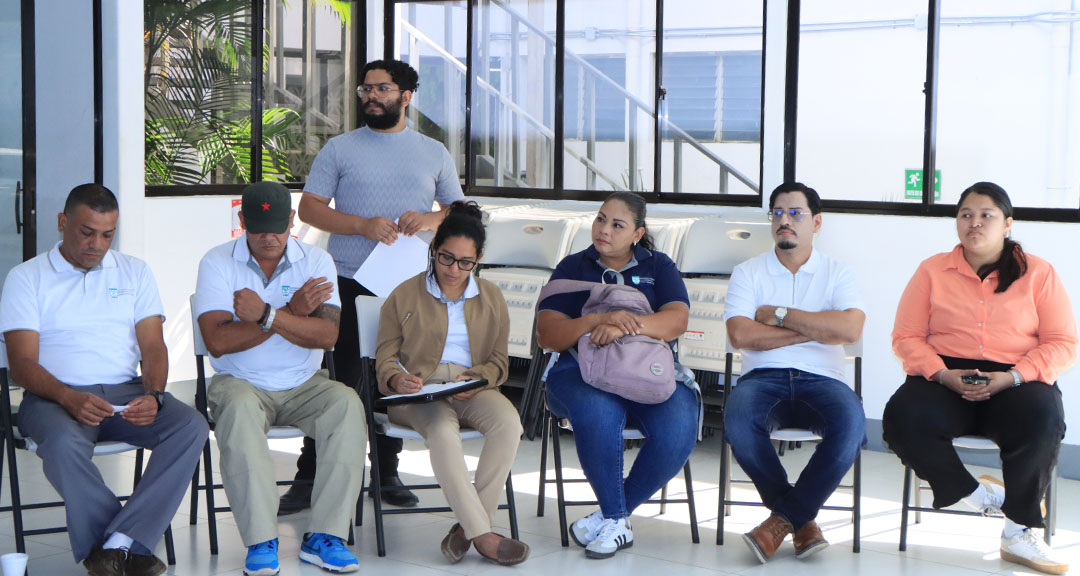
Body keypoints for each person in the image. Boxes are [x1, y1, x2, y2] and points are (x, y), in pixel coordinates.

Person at [284, 57, 465, 512]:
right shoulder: (340, 148)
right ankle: (310, 475)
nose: (371, 96)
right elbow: (309, 209)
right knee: (340, 381)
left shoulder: (433, 151)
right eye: (366, 89)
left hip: (406, 287)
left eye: (382, 89)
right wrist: (361, 225)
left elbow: (459, 210)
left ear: (406, 96)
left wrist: (429, 218)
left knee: (395, 378)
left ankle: (386, 474)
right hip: (347, 281)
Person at [0, 184, 209, 576]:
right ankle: (130, 546)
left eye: (107, 234)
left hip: (126, 392)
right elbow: (22, 364)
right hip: (52, 397)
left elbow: (153, 347)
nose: (96, 244)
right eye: (86, 232)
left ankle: (115, 546)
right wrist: (68, 397)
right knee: (63, 444)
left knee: (190, 426)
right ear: (62, 223)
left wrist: (154, 394)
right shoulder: (26, 277)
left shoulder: (135, 271)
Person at [884, 182, 1076, 575]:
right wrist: (941, 374)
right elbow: (905, 337)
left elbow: (1063, 343)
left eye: (986, 215)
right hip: (945, 375)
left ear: (1007, 223)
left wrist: (1014, 377)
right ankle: (982, 496)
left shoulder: (1039, 273)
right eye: (966, 215)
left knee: (1043, 418)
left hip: (1015, 379)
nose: (974, 223)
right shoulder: (932, 270)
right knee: (902, 417)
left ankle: (1018, 533)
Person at [195, 182, 366, 576]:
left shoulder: (317, 261)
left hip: (305, 382)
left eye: (277, 227)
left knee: (346, 405)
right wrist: (292, 312)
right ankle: (261, 539)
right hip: (240, 381)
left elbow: (327, 336)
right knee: (237, 410)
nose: (268, 238)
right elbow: (218, 341)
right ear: (242, 221)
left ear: (291, 220)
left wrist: (265, 315)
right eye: (258, 229)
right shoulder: (217, 262)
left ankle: (326, 536)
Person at [535, 191, 697, 560]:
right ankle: (615, 517)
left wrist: (624, 327)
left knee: (678, 427)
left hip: (647, 371)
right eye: (600, 219)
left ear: (638, 234)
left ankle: (611, 517)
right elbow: (548, 335)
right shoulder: (572, 267)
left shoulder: (659, 266)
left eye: (617, 225)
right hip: (578, 371)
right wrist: (598, 320)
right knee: (599, 411)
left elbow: (676, 321)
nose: (604, 229)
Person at [375, 201, 529, 566]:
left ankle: (467, 529)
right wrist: (396, 377)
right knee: (443, 433)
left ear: (478, 260)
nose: (453, 270)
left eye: (465, 262)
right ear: (434, 249)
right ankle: (484, 536)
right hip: (419, 392)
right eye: (446, 258)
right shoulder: (404, 294)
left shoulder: (491, 297)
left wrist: (480, 376)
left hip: (469, 386)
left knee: (509, 425)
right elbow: (385, 356)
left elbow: (500, 361)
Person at [722, 181, 866, 563]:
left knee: (852, 425)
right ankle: (801, 522)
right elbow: (740, 335)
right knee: (738, 421)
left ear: (816, 222)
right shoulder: (748, 272)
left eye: (795, 213)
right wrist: (816, 328)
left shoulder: (838, 273)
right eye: (778, 213)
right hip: (762, 380)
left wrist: (780, 316)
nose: (785, 220)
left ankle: (780, 521)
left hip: (824, 381)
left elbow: (850, 330)